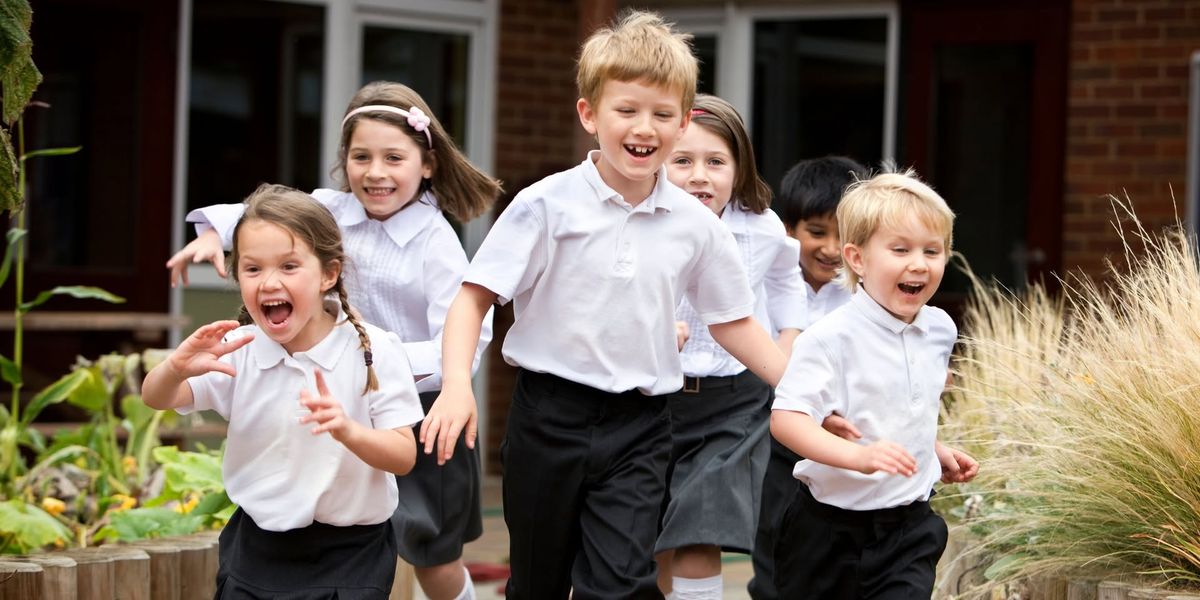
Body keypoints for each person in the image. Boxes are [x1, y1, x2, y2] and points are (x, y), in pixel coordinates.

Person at [420, 10, 791, 599]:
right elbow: (474, 298)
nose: (645, 127)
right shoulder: (547, 205)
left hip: (640, 426)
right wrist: (457, 385)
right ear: (590, 114)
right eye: (628, 110)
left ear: (683, 121)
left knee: (621, 584)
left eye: (663, 114)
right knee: (540, 584)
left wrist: (802, 392)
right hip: (549, 418)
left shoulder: (696, 225)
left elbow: (735, 323)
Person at [166, 81, 502, 600]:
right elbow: (262, 216)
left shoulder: (437, 242)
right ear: (344, 161)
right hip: (339, 400)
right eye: (361, 157)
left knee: (434, 553)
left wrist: (376, 358)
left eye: (394, 157)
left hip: (425, 407)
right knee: (358, 520)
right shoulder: (330, 210)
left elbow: (464, 338)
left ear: (427, 164)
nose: (375, 172)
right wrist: (215, 234)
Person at [144, 184, 425, 598]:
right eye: (253, 269)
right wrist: (174, 368)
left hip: (351, 552)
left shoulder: (375, 350)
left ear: (329, 273)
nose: (269, 282)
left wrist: (347, 430)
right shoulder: (240, 348)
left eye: (289, 266)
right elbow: (157, 397)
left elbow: (403, 457)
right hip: (256, 548)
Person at [768, 168, 979, 598]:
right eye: (900, 249)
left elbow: (902, 406)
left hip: (908, 527)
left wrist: (932, 450)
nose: (919, 263)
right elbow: (787, 421)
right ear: (857, 258)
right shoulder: (829, 337)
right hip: (827, 532)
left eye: (932, 251)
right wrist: (856, 458)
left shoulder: (939, 329)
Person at [653, 94, 805, 600]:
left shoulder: (760, 229)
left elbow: (787, 282)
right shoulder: (643, 222)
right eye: (683, 161)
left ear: (739, 168)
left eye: (716, 162)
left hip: (732, 404)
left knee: (702, 528)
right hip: (653, 399)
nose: (700, 176)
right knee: (647, 536)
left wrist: (786, 342)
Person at [748, 155, 866, 599]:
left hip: (844, 439)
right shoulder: (769, 285)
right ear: (788, 230)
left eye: (844, 235)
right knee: (774, 539)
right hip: (775, 435)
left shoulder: (867, 297)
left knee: (834, 555)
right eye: (816, 233)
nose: (831, 249)